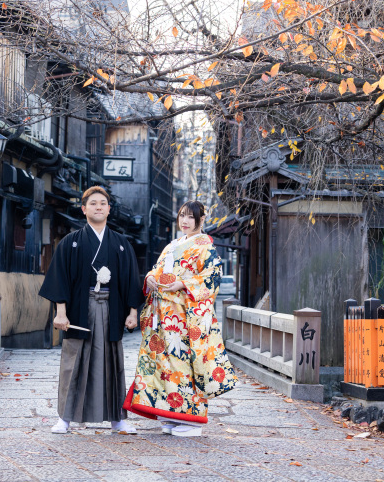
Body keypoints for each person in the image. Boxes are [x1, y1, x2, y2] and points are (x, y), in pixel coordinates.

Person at [123, 201, 237, 437]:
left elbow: (212, 278)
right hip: (163, 314)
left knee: (185, 365)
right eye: (182, 216)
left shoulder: (205, 247)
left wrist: (183, 284)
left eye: (190, 217)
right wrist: (151, 278)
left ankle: (192, 419)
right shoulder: (173, 245)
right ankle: (170, 414)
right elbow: (157, 268)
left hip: (185, 316)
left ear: (201, 220)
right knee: (165, 365)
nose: (184, 221)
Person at [39, 186, 142, 435]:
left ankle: (118, 419)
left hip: (111, 308)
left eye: (103, 203)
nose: (98, 207)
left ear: (109, 209)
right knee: (73, 362)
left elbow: (130, 280)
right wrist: (60, 312)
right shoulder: (70, 243)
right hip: (78, 309)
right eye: (93, 203)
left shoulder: (120, 244)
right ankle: (65, 417)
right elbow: (60, 278)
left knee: (112, 361)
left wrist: (132, 312)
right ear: (83, 209)